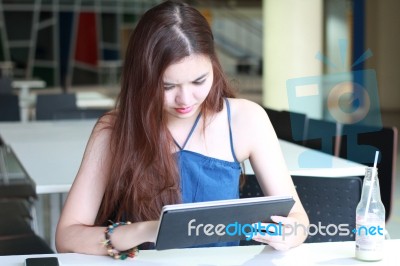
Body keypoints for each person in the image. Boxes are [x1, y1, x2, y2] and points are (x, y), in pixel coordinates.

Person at [56, 0, 309, 258]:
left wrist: (289, 234)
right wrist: (148, 231)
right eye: (167, 87)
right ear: (142, 80)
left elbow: (298, 219)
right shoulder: (113, 130)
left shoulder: (246, 119)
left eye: (199, 80)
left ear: (214, 64)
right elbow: (66, 237)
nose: (185, 100)